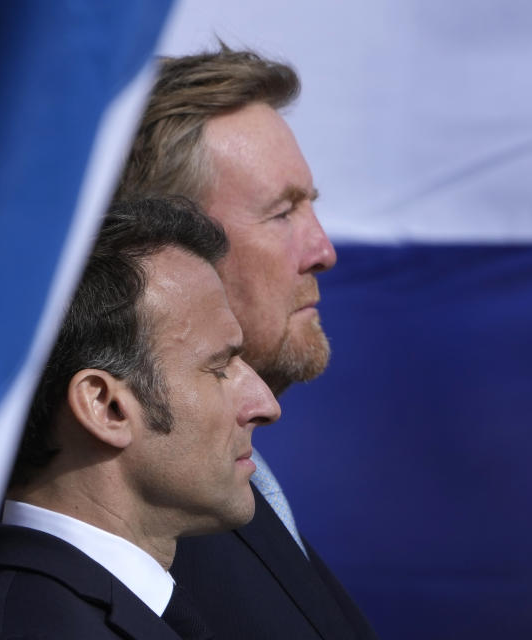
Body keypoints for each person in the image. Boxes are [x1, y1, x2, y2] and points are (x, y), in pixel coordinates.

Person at [116, 47, 379, 639]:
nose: (324, 250)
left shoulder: (224, 486)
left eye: (312, 204)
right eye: (283, 212)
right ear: (169, 242)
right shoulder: (128, 523)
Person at [0, 198, 281, 639]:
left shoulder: (76, 609)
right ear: (105, 407)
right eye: (219, 367)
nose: (265, 404)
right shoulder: (38, 627)